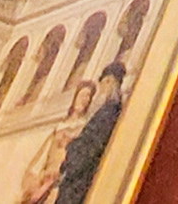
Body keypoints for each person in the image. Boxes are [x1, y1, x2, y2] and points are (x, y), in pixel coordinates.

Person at [52, 69, 125, 204]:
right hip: (71, 173)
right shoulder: (105, 110)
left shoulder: (109, 110)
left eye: (104, 84)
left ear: (110, 82)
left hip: (79, 178)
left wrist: (71, 147)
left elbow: (92, 144)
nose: (102, 89)